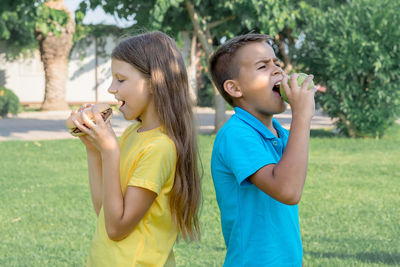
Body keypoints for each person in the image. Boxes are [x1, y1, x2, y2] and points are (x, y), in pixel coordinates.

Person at [71, 31, 201, 267]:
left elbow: (117, 228)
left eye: (120, 79)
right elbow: (104, 211)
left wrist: (110, 152)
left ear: (154, 83)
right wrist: (93, 150)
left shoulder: (160, 147)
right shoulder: (133, 134)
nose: (111, 88)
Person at [209, 33, 316, 266]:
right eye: (262, 66)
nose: (277, 70)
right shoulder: (236, 134)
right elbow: (287, 191)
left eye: (276, 62)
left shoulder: (282, 135)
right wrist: (302, 115)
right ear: (235, 88)